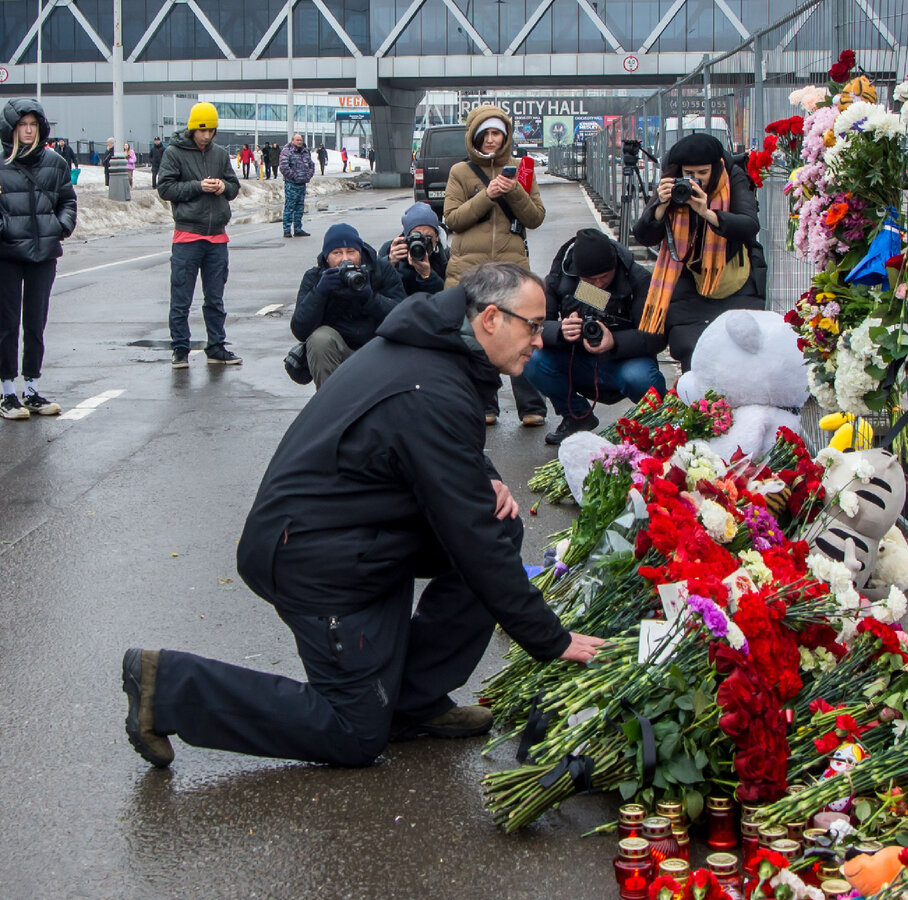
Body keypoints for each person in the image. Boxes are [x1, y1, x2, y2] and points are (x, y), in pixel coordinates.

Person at [120, 262, 604, 769]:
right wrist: (553, 639)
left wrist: (478, 472)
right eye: (533, 325)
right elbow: (470, 537)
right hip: (312, 558)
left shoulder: (435, 348)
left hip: (358, 533)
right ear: (489, 318)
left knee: (499, 521)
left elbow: (414, 440)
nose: (541, 339)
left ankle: (409, 703)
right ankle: (167, 686)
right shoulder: (432, 384)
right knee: (353, 733)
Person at [443, 104, 547, 427]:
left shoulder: (522, 168)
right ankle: (484, 404)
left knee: (521, 330)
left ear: (506, 136)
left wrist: (514, 191)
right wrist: (487, 195)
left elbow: (535, 217)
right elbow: (453, 219)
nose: (491, 140)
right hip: (468, 268)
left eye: (496, 134)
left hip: (510, 265)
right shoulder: (460, 172)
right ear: (474, 137)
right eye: (485, 134)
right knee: (474, 335)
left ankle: (532, 406)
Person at [632, 133, 766, 372]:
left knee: (739, 349)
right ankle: (698, 404)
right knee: (691, 349)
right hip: (687, 275)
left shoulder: (732, 176)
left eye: (703, 173)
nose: (695, 181)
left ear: (715, 167)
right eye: (689, 174)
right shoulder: (672, 182)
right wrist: (660, 206)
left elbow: (749, 225)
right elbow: (644, 236)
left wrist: (708, 213)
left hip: (732, 274)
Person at [524, 228, 666, 445]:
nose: (598, 284)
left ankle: (661, 423)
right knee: (532, 360)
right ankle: (577, 416)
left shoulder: (638, 279)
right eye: (590, 281)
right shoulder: (562, 276)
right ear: (579, 273)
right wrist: (561, 331)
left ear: (615, 266)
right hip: (578, 358)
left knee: (640, 378)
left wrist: (614, 340)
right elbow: (536, 324)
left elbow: (655, 336)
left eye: (604, 278)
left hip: (623, 361)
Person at [0, 98, 77, 421]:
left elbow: (67, 200)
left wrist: (61, 226)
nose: (28, 131)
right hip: (6, 253)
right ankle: (7, 392)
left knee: (36, 322)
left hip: (44, 253)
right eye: (22, 125)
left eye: (33, 125)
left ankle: (31, 387)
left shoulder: (55, 162)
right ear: (11, 128)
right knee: (6, 323)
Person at [157, 101, 242, 369]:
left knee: (215, 298)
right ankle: (180, 349)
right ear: (193, 129)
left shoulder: (219, 154)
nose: (206, 136)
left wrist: (222, 187)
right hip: (188, 235)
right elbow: (165, 188)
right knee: (181, 297)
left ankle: (216, 345)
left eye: (211, 131)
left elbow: (234, 186)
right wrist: (198, 186)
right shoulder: (174, 152)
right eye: (202, 130)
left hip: (217, 236)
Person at [291, 223, 407, 387]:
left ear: (359, 253)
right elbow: (300, 330)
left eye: (351, 252)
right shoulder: (315, 277)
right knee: (319, 338)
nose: (345, 259)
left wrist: (370, 299)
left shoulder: (381, 270)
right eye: (337, 253)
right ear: (327, 257)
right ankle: (331, 405)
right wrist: (320, 293)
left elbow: (404, 319)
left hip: (378, 349)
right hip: (339, 350)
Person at [378, 201, 448, 295]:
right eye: (416, 237)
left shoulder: (444, 256)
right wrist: (389, 263)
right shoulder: (390, 249)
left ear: (437, 237)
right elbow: (377, 287)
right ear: (406, 237)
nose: (421, 243)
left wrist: (427, 275)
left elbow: (445, 297)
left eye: (427, 238)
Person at [279, 132, 315, 239]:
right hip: (291, 184)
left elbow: (311, 165)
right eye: (297, 140)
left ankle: (298, 229)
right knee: (290, 207)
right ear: (292, 140)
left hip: (302, 184)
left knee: (299, 207)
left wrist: (308, 175)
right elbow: (284, 167)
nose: (300, 142)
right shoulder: (286, 152)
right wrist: (295, 176)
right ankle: (287, 230)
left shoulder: (305, 151)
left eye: (301, 140)